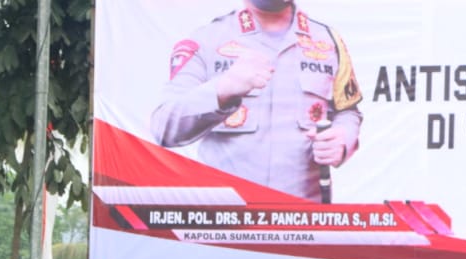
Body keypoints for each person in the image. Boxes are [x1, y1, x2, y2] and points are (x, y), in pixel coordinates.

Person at [152, 1, 363, 201]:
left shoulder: (327, 40)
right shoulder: (207, 39)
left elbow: (348, 111)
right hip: (223, 222)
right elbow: (164, 128)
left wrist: (343, 139)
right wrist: (223, 88)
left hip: (302, 220)